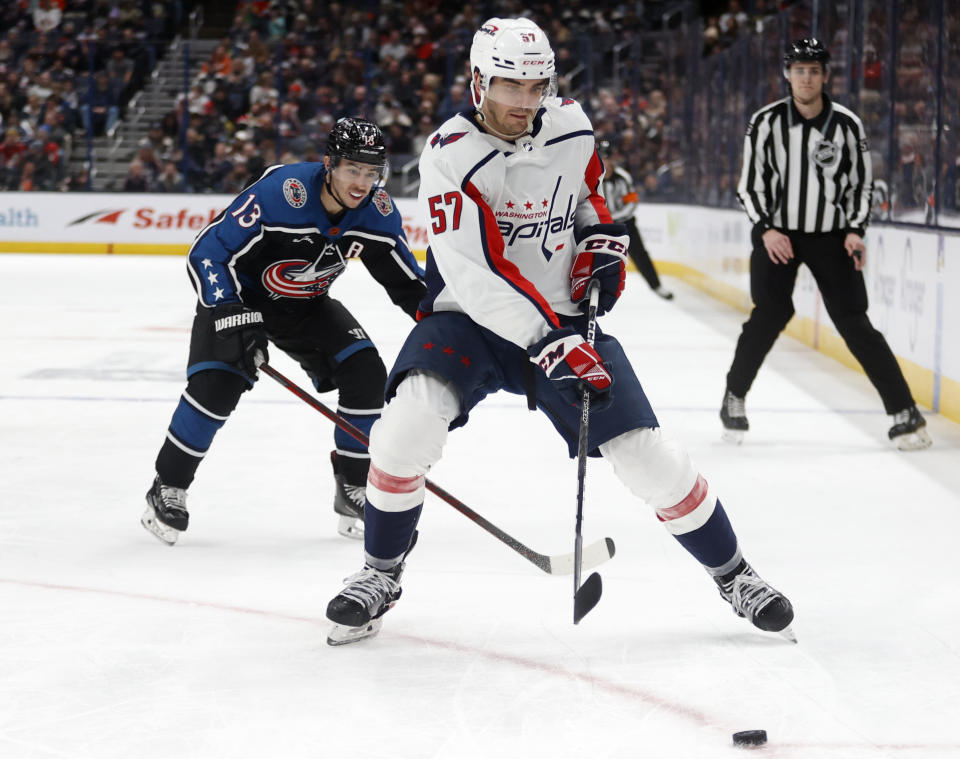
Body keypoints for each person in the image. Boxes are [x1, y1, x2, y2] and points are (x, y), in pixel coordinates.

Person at [324, 18, 795, 646]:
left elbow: (590, 193)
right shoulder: (448, 155)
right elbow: (477, 270)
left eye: (536, 85)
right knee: (405, 427)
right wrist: (550, 343)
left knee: (645, 455)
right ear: (478, 80)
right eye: (509, 86)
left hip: (563, 322)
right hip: (469, 319)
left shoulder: (571, 126)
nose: (524, 101)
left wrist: (600, 243)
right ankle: (380, 572)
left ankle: (735, 574)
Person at [142, 117, 426, 546]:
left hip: (305, 306)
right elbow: (208, 253)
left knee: (365, 371)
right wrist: (228, 310)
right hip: (241, 300)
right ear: (329, 163)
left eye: (371, 173)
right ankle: (168, 484)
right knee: (217, 386)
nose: (362, 183)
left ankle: (353, 487)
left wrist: (445, 327)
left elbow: (410, 285)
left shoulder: (377, 214)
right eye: (353, 170)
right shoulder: (282, 194)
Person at [723, 39, 932, 451]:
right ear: (788, 74)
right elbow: (750, 184)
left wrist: (855, 230)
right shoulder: (765, 123)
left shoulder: (848, 125)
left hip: (832, 235)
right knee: (770, 313)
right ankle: (734, 397)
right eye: (799, 70)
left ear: (825, 75)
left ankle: (904, 412)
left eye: (813, 70)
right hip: (776, 235)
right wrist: (766, 228)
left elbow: (861, 186)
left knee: (854, 322)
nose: (806, 77)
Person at [596, 139, 673, 300]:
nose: (605, 161)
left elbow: (631, 202)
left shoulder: (623, 177)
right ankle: (595, 291)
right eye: (602, 157)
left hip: (625, 223)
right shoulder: (593, 177)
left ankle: (656, 285)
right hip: (602, 225)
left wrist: (614, 218)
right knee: (597, 257)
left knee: (640, 254)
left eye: (607, 157)